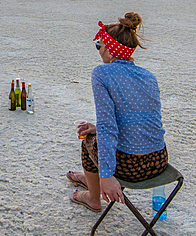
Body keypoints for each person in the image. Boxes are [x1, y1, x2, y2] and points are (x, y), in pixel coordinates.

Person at [66, 12, 168, 211]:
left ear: (110, 50)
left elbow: (108, 126)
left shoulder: (101, 73)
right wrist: (98, 128)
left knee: (88, 141)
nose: (98, 50)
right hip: (159, 161)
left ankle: (94, 196)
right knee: (95, 133)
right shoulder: (149, 76)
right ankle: (90, 178)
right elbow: (140, 120)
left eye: (99, 45)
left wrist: (107, 175)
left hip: (131, 168)